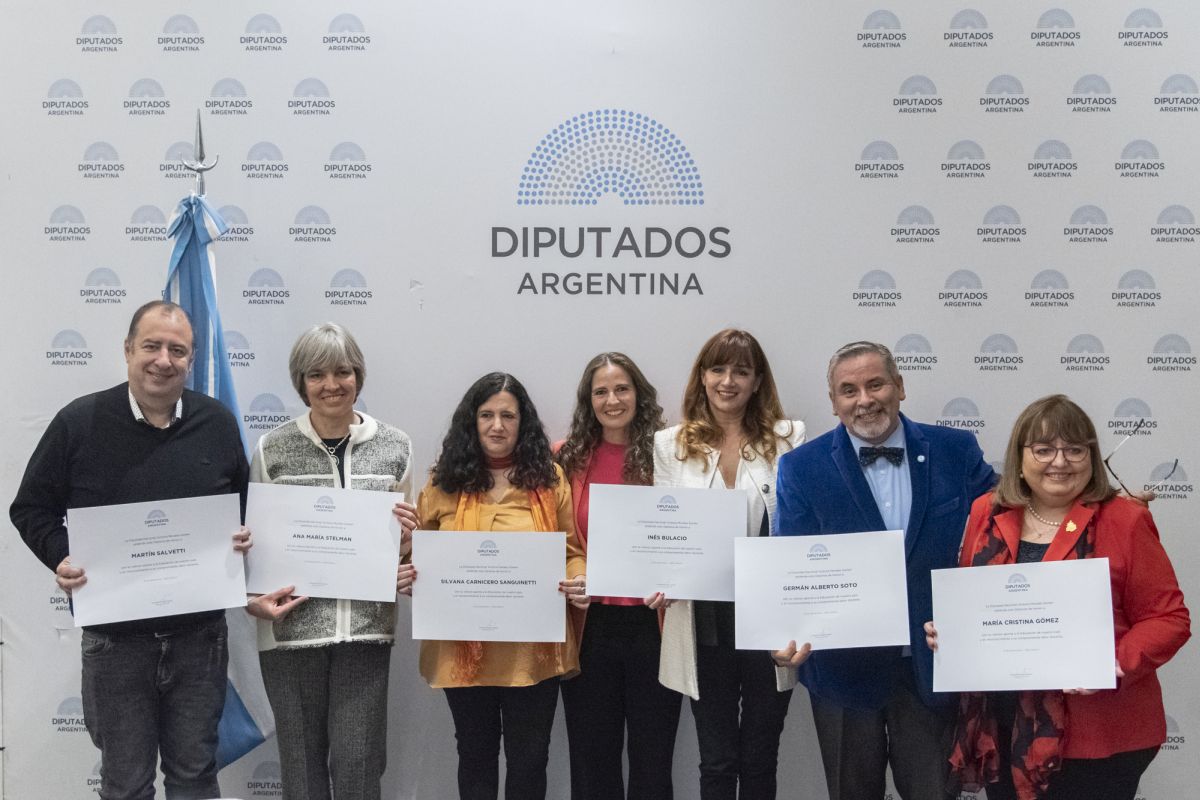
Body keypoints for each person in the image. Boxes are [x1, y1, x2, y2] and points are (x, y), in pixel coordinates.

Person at [10, 299, 252, 800]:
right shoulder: (78, 423)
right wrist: (61, 555)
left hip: (199, 640)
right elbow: (30, 507)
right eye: (151, 346)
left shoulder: (218, 423)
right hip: (115, 644)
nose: (164, 360)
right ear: (127, 350)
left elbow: (246, 510)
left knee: (195, 778)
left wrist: (243, 540)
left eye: (177, 350)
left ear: (191, 359)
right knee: (125, 786)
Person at [924, 394, 1189, 800]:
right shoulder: (986, 512)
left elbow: (1169, 618)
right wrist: (950, 633)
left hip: (1100, 733)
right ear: (1019, 457)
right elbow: (973, 602)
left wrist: (1112, 663)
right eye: (1044, 449)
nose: (1060, 462)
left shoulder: (1125, 519)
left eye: (1074, 450)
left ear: (1091, 456)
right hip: (1004, 727)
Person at [773, 340, 996, 800]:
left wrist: (1104, 502)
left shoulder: (955, 450)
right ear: (833, 402)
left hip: (931, 664)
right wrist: (782, 635)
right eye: (848, 390)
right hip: (842, 670)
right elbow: (789, 562)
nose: (864, 400)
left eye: (875, 385)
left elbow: (1010, 519)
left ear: (900, 386)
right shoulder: (801, 468)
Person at [244, 323, 418, 800]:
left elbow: (405, 546)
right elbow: (255, 542)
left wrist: (408, 542)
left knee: (359, 767)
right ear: (301, 382)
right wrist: (252, 598)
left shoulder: (396, 445)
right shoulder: (272, 448)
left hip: (365, 631)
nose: (331, 385)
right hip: (290, 634)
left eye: (343, 372)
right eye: (316, 374)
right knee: (301, 773)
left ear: (358, 376)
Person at [413, 372, 587, 800]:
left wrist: (579, 576)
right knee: (475, 756)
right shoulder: (443, 481)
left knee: (530, 759)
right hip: (462, 653)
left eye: (508, 416)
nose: (497, 426)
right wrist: (410, 574)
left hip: (532, 654)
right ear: (471, 421)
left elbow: (571, 550)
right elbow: (419, 552)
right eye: (487, 415)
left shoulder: (549, 480)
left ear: (522, 422)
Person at [652, 329, 805, 800]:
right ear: (702, 377)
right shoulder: (670, 444)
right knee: (716, 760)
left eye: (741, 371)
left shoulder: (789, 438)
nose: (728, 381)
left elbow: (800, 526)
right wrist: (662, 578)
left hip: (770, 620)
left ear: (758, 381)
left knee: (760, 756)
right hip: (704, 621)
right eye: (717, 369)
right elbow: (664, 530)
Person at [556, 353, 682, 800]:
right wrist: (573, 574)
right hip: (590, 627)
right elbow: (552, 534)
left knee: (654, 760)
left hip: (656, 625)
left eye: (622, 388)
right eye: (601, 392)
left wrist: (677, 577)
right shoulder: (565, 457)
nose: (613, 400)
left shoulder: (670, 455)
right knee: (592, 761)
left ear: (638, 394)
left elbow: (687, 531)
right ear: (588, 401)